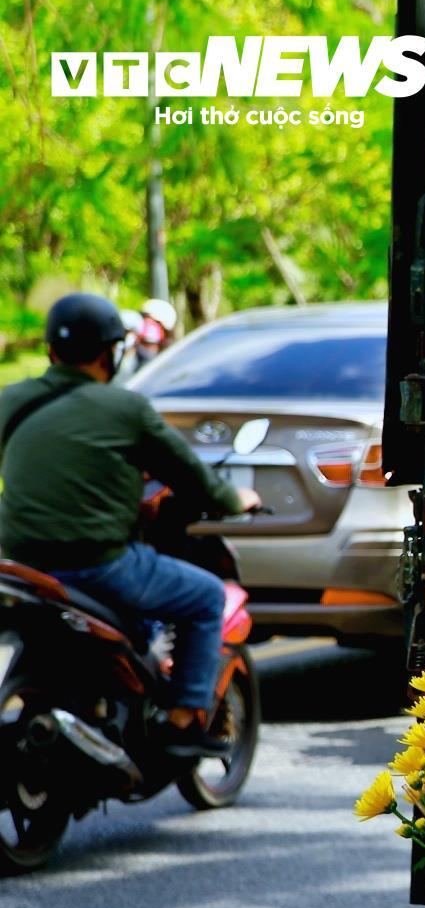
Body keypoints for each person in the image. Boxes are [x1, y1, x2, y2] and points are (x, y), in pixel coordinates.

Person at [0, 292, 261, 755]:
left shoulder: (10, 401)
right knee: (205, 596)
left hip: (19, 566)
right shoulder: (125, 409)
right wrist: (237, 499)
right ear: (111, 352)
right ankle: (181, 723)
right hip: (98, 565)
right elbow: (194, 480)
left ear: (50, 351)